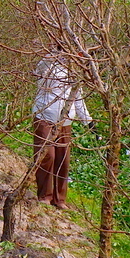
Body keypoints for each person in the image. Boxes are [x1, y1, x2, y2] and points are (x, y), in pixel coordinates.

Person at [32, 49, 89, 209]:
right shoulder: (47, 65)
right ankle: (44, 195)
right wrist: (52, 54)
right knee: (47, 156)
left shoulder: (74, 70)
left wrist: (87, 120)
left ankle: (59, 199)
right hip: (44, 116)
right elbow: (39, 69)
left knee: (63, 159)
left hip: (65, 121)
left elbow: (77, 96)